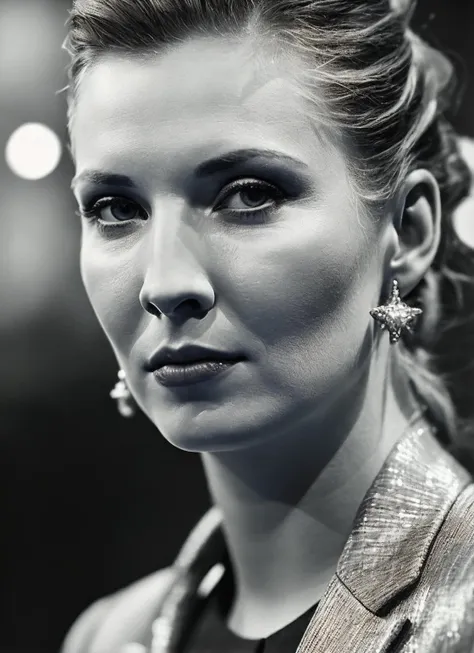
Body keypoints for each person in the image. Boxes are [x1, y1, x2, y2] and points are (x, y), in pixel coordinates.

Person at [61, 0, 474, 651]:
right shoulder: (105, 636)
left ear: (410, 230)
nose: (166, 283)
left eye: (250, 194)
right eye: (116, 208)